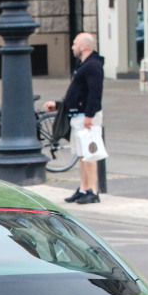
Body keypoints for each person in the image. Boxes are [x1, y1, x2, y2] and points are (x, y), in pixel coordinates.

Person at [43, 32, 104, 204]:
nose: (72, 47)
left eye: (75, 44)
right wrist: (59, 104)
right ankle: (84, 187)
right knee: (81, 154)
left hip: (86, 115)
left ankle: (92, 190)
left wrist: (90, 115)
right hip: (78, 114)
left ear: (84, 46)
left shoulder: (93, 65)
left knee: (89, 154)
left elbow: (95, 92)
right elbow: (77, 92)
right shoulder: (85, 65)